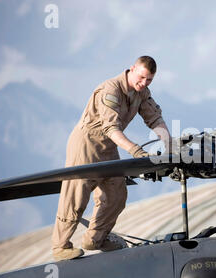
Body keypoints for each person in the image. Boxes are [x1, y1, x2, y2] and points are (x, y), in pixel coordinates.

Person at [52, 56, 171, 261]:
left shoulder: (141, 92)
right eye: (141, 77)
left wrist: (170, 144)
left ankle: (95, 238)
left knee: (116, 194)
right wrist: (134, 150)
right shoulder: (111, 90)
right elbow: (111, 128)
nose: (143, 83)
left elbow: (154, 118)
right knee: (76, 195)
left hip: (109, 147)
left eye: (149, 80)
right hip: (87, 144)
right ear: (131, 69)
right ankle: (61, 246)